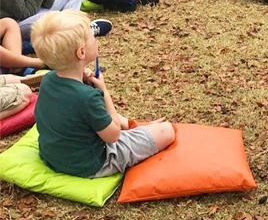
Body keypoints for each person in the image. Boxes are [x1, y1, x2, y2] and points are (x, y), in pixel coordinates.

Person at [30, 10, 175, 178]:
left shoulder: (48, 80)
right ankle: (138, 130)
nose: (96, 40)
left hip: (54, 157)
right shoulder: (87, 97)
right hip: (90, 164)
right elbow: (113, 135)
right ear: (81, 52)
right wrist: (104, 91)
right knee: (166, 130)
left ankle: (135, 126)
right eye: (93, 37)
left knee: (97, 114)